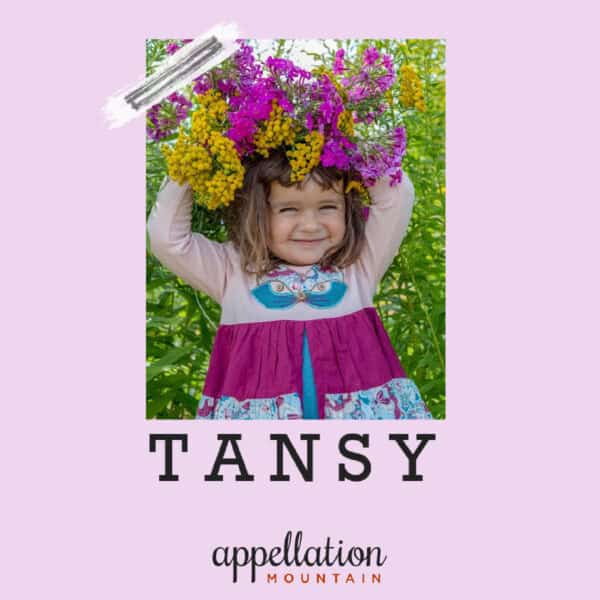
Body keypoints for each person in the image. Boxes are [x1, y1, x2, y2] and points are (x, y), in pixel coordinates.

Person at [147, 148, 432, 419]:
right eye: (289, 210)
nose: (310, 225)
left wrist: (339, 138)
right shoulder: (232, 271)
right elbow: (167, 239)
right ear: (255, 212)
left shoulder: (359, 266)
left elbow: (398, 194)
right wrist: (192, 161)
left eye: (328, 207)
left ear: (347, 208)